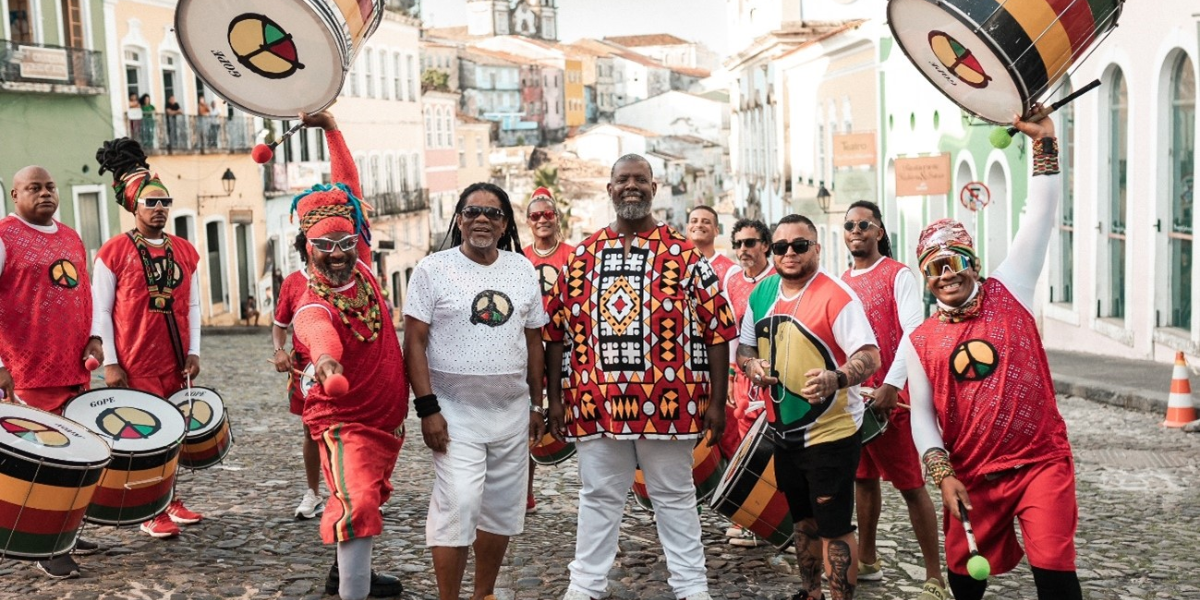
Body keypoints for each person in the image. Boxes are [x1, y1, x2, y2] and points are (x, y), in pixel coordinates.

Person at [903, 116, 1080, 600]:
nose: (946, 275)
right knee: (966, 580)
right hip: (971, 473)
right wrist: (942, 476)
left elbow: (1039, 217)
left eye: (955, 261)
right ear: (926, 279)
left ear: (974, 263)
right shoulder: (920, 341)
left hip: (1040, 462)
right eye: (934, 268)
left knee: (1054, 570)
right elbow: (921, 416)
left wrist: (1045, 145)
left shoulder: (1012, 287)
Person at [545, 154, 736, 600]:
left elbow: (718, 329)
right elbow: (554, 333)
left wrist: (716, 402)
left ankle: (692, 588)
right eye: (622, 180)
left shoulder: (684, 254)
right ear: (609, 189)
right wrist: (554, 400)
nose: (631, 186)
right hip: (594, 403)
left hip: (671, 404)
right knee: (598, 496)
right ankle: (584, 586)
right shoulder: (583, 257)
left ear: (654, 187)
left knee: (674, 497)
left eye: (640, 180)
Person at [404, 182, 548, 600]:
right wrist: (428, 409)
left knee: (502, 509)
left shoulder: (522, 270)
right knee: (461, 502)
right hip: (453, 413)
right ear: (459, 220)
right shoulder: (432, 269)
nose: (482, 219)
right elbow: (413, 341)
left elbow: (534, 340)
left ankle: (483, 594)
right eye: (472, 212)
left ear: (505, 225)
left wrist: (536, 404)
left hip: (511, 413)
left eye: (493, 213)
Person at [288, 110, 406, 600]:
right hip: (344, 423)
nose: (337, 253)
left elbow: (349, 186)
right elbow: (315, 330)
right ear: (305, 248)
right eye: (324, 245)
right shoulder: (311, 301)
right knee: (357, 504)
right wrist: (325, 361)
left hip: (386, 421)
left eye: (344, 242)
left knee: (364, 498)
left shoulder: (364, 267)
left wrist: (331, 128)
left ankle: (350, 574)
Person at [736, 214, 881, 600]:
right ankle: (810, 593)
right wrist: (751, 366)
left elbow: (869, 355)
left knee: (834, 527)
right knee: (802, 520)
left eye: (799, 245)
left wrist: (837, 378)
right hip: (783, 431)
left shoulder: (837, 296)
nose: (789, 253)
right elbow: (745, 346)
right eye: (781, 246)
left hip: (830, 434)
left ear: (816, 248)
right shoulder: (762, 293)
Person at [93, 137, 204, 540]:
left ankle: (169, 500)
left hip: (173, 360)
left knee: (173, 436)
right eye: (151, 202)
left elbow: (193, 305)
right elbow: (101, 311)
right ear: (134, 207)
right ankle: (147, 510)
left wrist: (194, 351)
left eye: (164, 202)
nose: (159, 209)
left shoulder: (186, 251)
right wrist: (110, 363)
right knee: (145, 437)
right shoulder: (113, 252)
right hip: (134, 361)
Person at [0, 165, 105, 579]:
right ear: (15, 195)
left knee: (75, 457)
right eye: (34, 188)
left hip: (74, 366)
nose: (45, 193)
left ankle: (67, 532)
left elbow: (86, 292)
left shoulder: (71, 236)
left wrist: (95, 336)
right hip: (27, 369)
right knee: (43, 459)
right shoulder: (4, 237)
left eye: (50, 186)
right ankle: (43, 545)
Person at [839, 200, 946, 599]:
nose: (856, 231)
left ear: (879, 232)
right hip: (856, 401)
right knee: (863, 479)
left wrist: (893, 383)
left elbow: (913, 331)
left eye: (864, 224)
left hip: (890, 402)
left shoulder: (897, 274)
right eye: (850, 225)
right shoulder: (841, 282)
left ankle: (935, 576)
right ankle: (868, 558)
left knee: (911, 484)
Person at [717, 218, 775, 547]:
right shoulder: (732, 280)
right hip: (742, 375)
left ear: (765, 245)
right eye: (738, 244)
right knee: (744, 444)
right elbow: (730, 332)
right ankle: (748, 518)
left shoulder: (779, 278)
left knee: (772, 445)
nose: (743, 249)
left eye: (750, 243)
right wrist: (728, 374)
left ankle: (774, 518)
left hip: (774, 375)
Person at [520, 186, 574, 514]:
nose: (542, 220)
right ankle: (524, 494)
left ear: (557, 218)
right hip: (528, 350)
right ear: (528, 221)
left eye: (548, 214)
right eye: (536, 215)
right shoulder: (519, 258)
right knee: (526, 420)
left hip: (567, 351)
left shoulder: (574, 255)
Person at [271, 232, 324, 520]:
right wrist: (280, 351)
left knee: (348, 429)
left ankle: (356, 492)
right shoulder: (293, 283)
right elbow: (280, 325)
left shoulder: (347, 280)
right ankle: (314, 493)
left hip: (342, 368)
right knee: (310, 431)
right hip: (306, 371)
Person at [685, 205, 735, 282]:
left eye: (706, 222)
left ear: (716, 231)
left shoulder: (730, 271)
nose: (699, 225)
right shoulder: (674, 265)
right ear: (687, 228)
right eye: (694, 221)